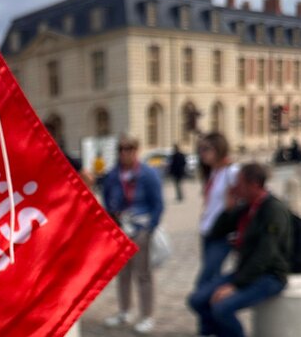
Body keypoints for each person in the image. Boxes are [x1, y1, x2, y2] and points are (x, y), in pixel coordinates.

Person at [188, 163, 291, 337]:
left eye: (240, 183)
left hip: (269, 275)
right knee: (197, 300)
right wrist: (228, 209)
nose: (235, 187)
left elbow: (265, 255)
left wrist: (235, 286)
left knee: (222, 308)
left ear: (254, 185)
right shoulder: (247, 207)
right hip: (245, 272)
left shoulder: (273, 210)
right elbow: (216, 232)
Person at [101, 135, 164, 334]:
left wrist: (150, 226)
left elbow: (158, 203)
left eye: (128, 149)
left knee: (143, 273)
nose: (124, 153)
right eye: (121, 149)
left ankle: (146, 315)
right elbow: (106, 198)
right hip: (120, 229)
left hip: (140, 228)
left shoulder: (147, 174)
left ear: (136, 151)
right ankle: (124, 311)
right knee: (123, 274)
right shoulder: (113, 175)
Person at [194, 133, 239, 291]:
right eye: (200, 149)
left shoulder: (232, 172)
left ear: (219, 149)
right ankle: (212, 312)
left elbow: (248, 197)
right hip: (207, 230)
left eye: (207, 149)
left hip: (222, 233)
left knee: (205, 281)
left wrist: (233, 204)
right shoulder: (213, 172)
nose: (202, 153)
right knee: (212, 278)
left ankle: (212, 310)